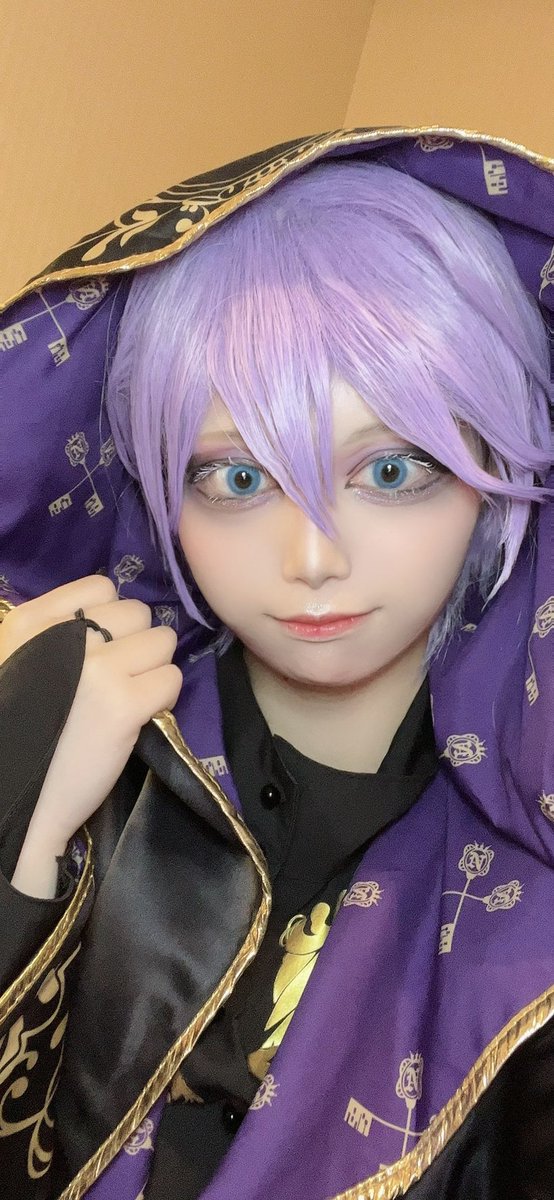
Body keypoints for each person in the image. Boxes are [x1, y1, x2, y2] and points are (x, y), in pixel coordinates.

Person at [0, 131, 552, 1200]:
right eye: (237, 479)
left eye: (390, 470)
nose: (311, 560)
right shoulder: (88, 754)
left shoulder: (525, 865)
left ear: (492, 471)